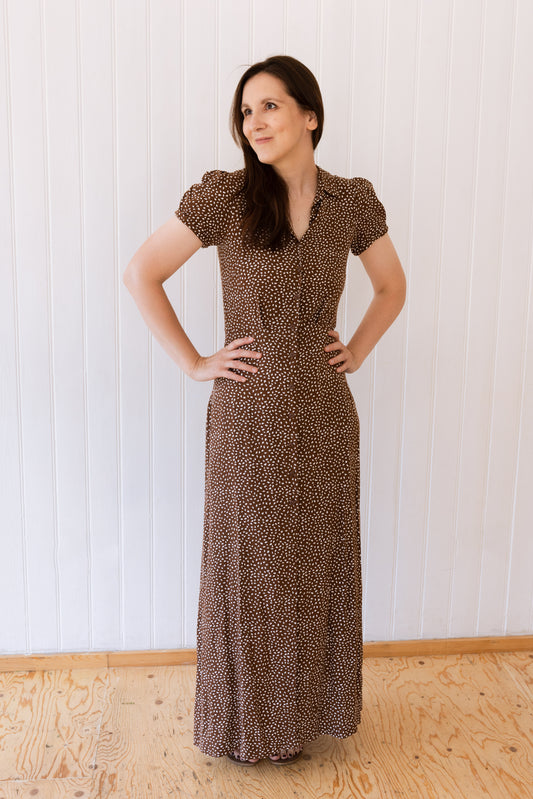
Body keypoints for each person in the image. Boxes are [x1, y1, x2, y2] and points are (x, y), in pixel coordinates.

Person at [123, 54, 406, 768]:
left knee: (315, 568)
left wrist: (358, 350)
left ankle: (308, 716)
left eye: (270, 106)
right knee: (246, 573)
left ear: (309, 114)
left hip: (323, 415)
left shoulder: (352, 202)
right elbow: (141, 272)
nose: (254, 121)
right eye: (245, 111)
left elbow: (391, 288)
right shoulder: (222, 197)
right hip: (245, 419)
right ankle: (244, 724)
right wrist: (194, 361)